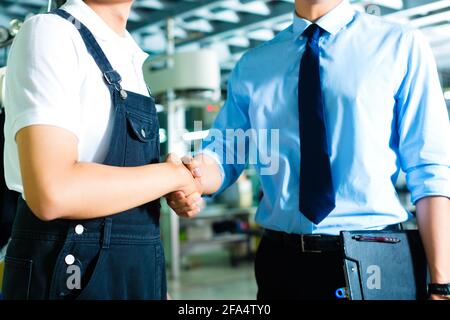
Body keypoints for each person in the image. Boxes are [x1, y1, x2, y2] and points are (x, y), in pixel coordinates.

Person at [167, 0, 450, 300]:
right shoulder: (254, 66)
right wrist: (190, 178)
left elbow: (429, 168)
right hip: (283, 263)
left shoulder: (400, 45)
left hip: (375, 257)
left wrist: (441, 283)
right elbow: (224, 154)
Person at [1, 0, 201, 299]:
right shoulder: (51, 32)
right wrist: (171, 175)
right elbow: (53, 192)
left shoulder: (128, 56)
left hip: (135, 272)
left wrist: (168, 182)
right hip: (68, 273)